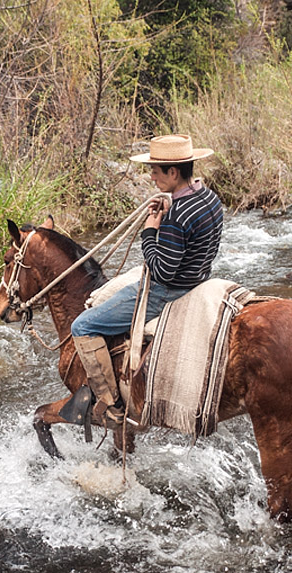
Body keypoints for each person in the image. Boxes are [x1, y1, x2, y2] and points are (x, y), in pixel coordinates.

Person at [70, 134, 224, 423]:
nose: (152, 177)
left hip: (167, 291)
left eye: (155, 171)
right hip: (198, 279)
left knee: (82, 325)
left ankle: (110, 405)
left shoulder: (178, 214)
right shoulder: (207, 196)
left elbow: (163, 271)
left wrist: (150, 231)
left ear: (173, 172)